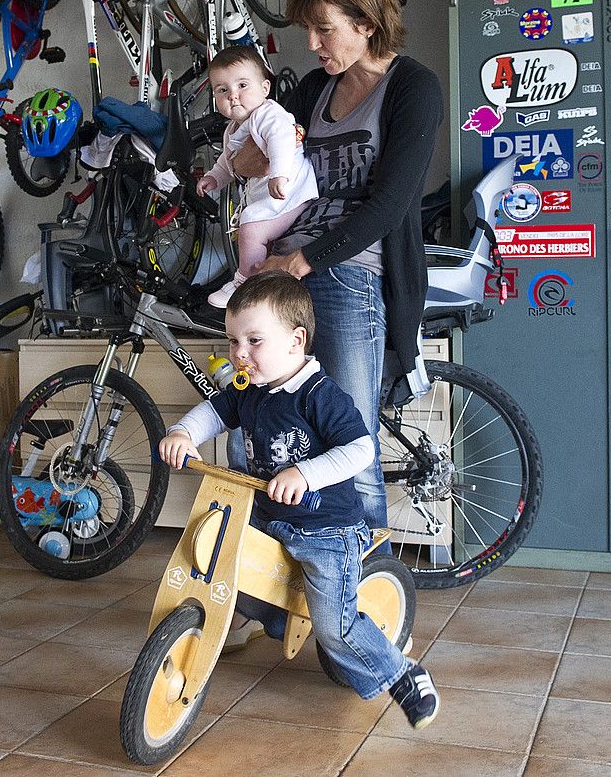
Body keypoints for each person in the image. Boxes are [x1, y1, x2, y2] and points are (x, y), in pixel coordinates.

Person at [157, 272, 440, 729]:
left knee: (335, 629)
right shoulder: (249, 389)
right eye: (233, 341)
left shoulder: (318, 394)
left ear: (296, 341)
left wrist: (305, 474)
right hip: (270, 519)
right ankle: (274, 618)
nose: (239, 354)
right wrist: (184, 431)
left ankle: (401, 674)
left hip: (325, 529)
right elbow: (215, 410)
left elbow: (360, 449)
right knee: (231, 575)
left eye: (253, 340)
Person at [231, 0, 444, 536]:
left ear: (366, 23)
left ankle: (365, 607)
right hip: (286, 270)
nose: (313, 45)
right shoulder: (312, 92)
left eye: (323, 29)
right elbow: (253, 160)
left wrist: (301, 260)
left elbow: (392, 204)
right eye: (310, 30)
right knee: (263, 429)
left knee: (349, 443)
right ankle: (292, 598)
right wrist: (251, 131)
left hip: (351, 272)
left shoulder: (413, 88)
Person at [197, 46, 318, 308]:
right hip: (275, 194)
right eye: (222, 90)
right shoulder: (233, 128)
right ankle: (260, 283)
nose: (233, 96)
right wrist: (214, 178)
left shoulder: (268, 114)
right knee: (253, 228)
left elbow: (282, 141)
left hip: (292, 192)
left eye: (242, 85)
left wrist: (278, 174)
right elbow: (227, 161)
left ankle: (244, 283)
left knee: (250, 225)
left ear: (265, 88)